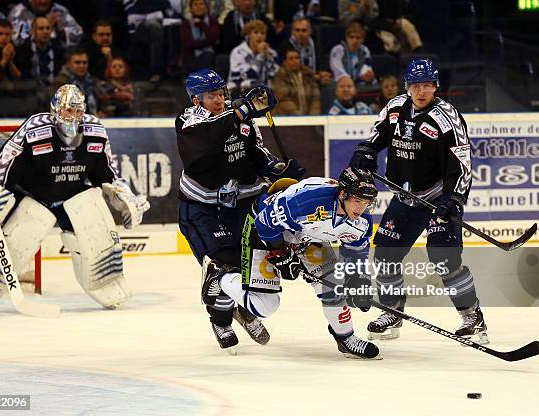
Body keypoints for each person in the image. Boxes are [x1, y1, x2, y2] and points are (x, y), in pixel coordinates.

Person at [0, 84, 150, 314]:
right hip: (34, 196)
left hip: (70, 196)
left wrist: (123, 196)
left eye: (78, 111)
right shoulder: (35, 128)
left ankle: (108, 285)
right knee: (22, 236)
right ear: (55, 110)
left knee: (93, 216)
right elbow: (3, 164)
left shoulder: (95, 130)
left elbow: (107, 173)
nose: (74, 117)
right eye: (68, 111)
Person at [348, 58, 489, 344]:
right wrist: (366, 152)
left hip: (437, 197)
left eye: (426, 85)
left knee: (443, 257)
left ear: (436, 86)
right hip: (405, 197)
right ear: (407, 86)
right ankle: (393, 310)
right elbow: (376, 138)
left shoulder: (447, 117)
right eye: (415, 85)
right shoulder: (395, 108)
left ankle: (472, 316)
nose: (421, 91)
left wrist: (453, 200)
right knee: (386, 254)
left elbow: (462, 165)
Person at [177, 68, 305, 350]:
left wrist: (276, 170)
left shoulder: (243, 123)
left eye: (222, 93)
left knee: (251, 265)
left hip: (238, 206)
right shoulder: (189, 122)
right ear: (196, 100)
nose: (220, 99)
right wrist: (239, 112)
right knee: (225, 265)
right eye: (212, 95)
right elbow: (203, 147)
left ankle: (245, 309)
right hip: (202, 209)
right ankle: (221, 320)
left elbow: (257, 156)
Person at [200, 167, 381, 359]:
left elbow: (355, 254)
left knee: (333, 287)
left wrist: (358, 281)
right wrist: (282, 254)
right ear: (343, 194)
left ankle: (346, 338)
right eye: (357, 201)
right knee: (265, 306)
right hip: (264, 232)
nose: (361, 209)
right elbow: (265, 223)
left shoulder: (362, 222)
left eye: (367, 202)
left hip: (307, 237)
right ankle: (219, 275)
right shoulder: (308, 201)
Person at [227, 19, 279, 96]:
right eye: (256, 32)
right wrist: (260, 57)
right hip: (240, 91)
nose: (259, 36)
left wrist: (268, 58)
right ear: (249, 35)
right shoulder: (238, 52)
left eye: (262, 33)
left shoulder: (271, 53)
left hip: (265, 92)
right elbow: (245, 76)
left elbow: (275, 75)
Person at [279, 17, 331, 86]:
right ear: (292, 32)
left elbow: (324, 67)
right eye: (297, 30)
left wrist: (324, 74)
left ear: (310, 31)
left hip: (316, 84)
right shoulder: (285, 48)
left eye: (304, 30)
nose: (300, 34)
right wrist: (313, 77)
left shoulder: (317, 47)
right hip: (292, 84)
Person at [8, 0, 83, 48]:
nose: (43, 1)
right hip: (28, 56)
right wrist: (43, 27)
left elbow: (78, 33)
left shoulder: (60, 11)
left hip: (57, 55)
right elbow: (16, 40)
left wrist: (59, 30)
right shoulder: (18, 13)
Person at [15, 16, 65, 88]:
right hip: (30, 91)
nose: (45, 32)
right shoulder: (24, 48)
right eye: (41, 28)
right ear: (32, 30)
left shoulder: (57, 47)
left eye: (48, 28)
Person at [51, 47, 102, 115]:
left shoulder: (93, 81)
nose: (82, 66)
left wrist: (103, 112)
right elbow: (60, 109)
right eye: (77, 62)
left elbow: (105, 100)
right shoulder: (60, 82)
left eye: (84, 63)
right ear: (68, 64)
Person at [271, 48, 320, 115]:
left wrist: (313, 117)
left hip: (308, 119)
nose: (295, 61)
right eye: (291, 59)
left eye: (297, 58)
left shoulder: (308, 75)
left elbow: (316, 97)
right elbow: (283, 99)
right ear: (285, 62)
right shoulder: (279, 77)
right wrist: (298, 116)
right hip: (286, 118)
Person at [329, 22, 375, 86]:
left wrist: (367, 75)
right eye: (351, 37)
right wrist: (348, 80)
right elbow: (337, 70)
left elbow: (367, 67)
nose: (354, 41)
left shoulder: (365, 50)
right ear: (346, 38)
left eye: (358, 38)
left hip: (359, 83)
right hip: (341, 83)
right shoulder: (338, 50)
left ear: (363, 39)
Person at [181, 0, 220, 75]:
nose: (199, 7)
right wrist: (207, 42)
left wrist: (202, 25)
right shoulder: (186, 22)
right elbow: (189, 44)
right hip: (191, 56)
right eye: (195, 4)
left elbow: (214, 38)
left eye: (201, 4)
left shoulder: (212, 21)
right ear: (191, 8)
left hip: (210, 56)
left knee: (208, 56)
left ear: (206, 7)